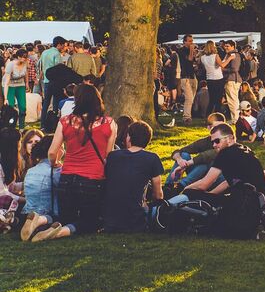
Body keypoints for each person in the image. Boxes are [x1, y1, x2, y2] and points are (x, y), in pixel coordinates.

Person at [47, 83, 117, 236]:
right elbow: (108, 155)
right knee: (90, 222)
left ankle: (46, 224)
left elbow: (52, 152)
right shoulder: (109, 123)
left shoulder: (65, 121)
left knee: (66, 217)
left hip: (67, 178)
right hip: (93, 179)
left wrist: (56, 162)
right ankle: (62, 232)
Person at [172, 123, 265, 206]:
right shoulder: (245, 149)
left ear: (229, 139)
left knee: (190, 193)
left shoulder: (225, 153)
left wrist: (185, 189)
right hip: (258, 202)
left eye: (217, 141)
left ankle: (168, 202)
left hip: (243, 204)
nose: (214, 145)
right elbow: (227, 183)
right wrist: (209, 195)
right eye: (212, 142)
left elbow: (204, 184)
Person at [101, 121, 163, 233]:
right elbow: (158, 195)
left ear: (129, 137)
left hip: (110, 220)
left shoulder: (113, 156)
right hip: (136, 221)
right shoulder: (152, 158)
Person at [165, 113, 227, 189]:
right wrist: (180, 160)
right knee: (184, 155)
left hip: (218, 177)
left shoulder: (226, 141)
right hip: (199, 174)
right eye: (215, 128)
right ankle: (168, 185)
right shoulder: (206, 141)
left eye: (221, 128)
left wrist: (188, 163)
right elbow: (178, 151)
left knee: (204, 164)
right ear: (208, 128)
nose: (218, 131)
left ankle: (180, 186)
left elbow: (207, 155)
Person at [19, 135, 62, 241]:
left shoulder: (31, 171)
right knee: (61, 218)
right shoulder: (55, 171)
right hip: (46, 214)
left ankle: (34, 224)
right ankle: (39, 221)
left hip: (25, 214)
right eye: (61, 147)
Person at [39, 37, 68, 115]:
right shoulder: (57, 54)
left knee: (46, 102)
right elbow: (59, 68)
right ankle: (54, 118)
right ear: (59, 45)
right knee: (56, 101)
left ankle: (43, 120)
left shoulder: (44, 52)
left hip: (46, 80)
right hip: (55, 81)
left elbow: (40, 65)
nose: (64, 47)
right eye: (63, 45)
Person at [3, 49, 30, 129]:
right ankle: (10, 127)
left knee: (23, 107)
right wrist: (6, 98)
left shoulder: (25, 63)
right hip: (9, 85)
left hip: (20, 85)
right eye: (24, 57)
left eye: (26, 57)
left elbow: (26, 73)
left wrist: (27, 83)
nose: (25, 59)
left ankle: (21, 127)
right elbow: (6, 83)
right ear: (18, 57)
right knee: (10, 107)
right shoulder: (10, 65)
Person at [201, 41, 226, 116]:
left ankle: (208, 116)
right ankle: (218, 116)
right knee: (218, 99)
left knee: (212, 99)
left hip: (209, 79)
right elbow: (222, 65)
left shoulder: (202, 58)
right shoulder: (215, 56)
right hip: (218, 79)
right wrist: (230, 58)